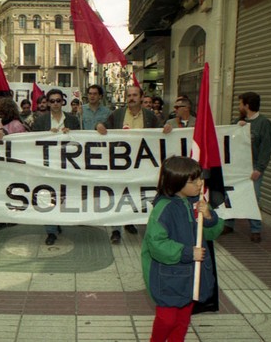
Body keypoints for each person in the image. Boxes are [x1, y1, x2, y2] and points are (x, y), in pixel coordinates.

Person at [141, 156, 223, 342]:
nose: (200, 183)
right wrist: (186, 252)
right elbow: (156, 244)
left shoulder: (199, 202)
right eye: (193, 181)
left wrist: (210, 217)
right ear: (176, 182)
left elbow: (212, 233)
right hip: (169, 277)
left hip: (193, 275)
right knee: (167, 320)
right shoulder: (164, 208)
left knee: (183, 319)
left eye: (200, 178)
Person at [96, 85, 160, 242]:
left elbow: (161, 132)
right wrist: (98, 126)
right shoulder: (117, 114)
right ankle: (116, 230)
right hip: (121, 163)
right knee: (119, 194)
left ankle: (132, 221)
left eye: (134, 95)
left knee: (137, 194)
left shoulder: (149, 116)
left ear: (141, 97)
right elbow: (103, 126)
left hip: (142, 163)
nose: (131, 98)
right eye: (129, 95)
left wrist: (167, 129)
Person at [222, 92, 271, 243]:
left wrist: (259, 168)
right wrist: (237, 129)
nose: (239, 107)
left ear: (247, 105)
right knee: (230, 195)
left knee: (253, 197)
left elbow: (266, 147)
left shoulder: (264, 123)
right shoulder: (238, 121)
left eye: (240, 104)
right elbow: (228, 140)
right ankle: (228, 223)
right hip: (237, 167)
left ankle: (255, 229)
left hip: (253, 167)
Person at [32, 88, 80, 245]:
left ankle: (59, 220)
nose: (55, 104)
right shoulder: (40, 121)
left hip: (67, 166)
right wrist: (45, 135)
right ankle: (51, 231)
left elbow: (82, 141)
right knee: (48, 196)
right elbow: (31, 142)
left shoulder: (73, 120)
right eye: (52, 101)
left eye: (58, 100)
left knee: (63, 196)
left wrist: (71, 134)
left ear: (63, 102)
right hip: (47, 166)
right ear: (47, 103)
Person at [0, 97, 28, 232]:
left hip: (13, 164)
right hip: (1, 163)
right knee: (1, 190)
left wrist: (5, 134)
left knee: (12, 190)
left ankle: (12, 216)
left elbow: (20, 144)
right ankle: (1, 217)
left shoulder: (17, 125)